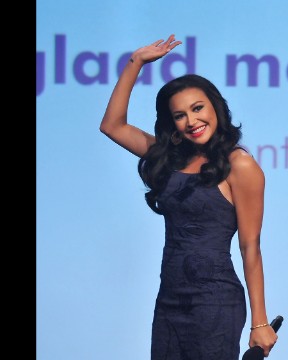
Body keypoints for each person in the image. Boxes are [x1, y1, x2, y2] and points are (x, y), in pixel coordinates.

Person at [99, 34, 277, 359]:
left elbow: (251, 246)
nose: (192, 121)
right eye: (180, 115)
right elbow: (112, 125)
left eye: (198, 109)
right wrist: (135, 62)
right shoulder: (168, 158)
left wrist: (260, 322)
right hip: (168, 301)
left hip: (215, 303)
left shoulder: (240, 165)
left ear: (216, 108)